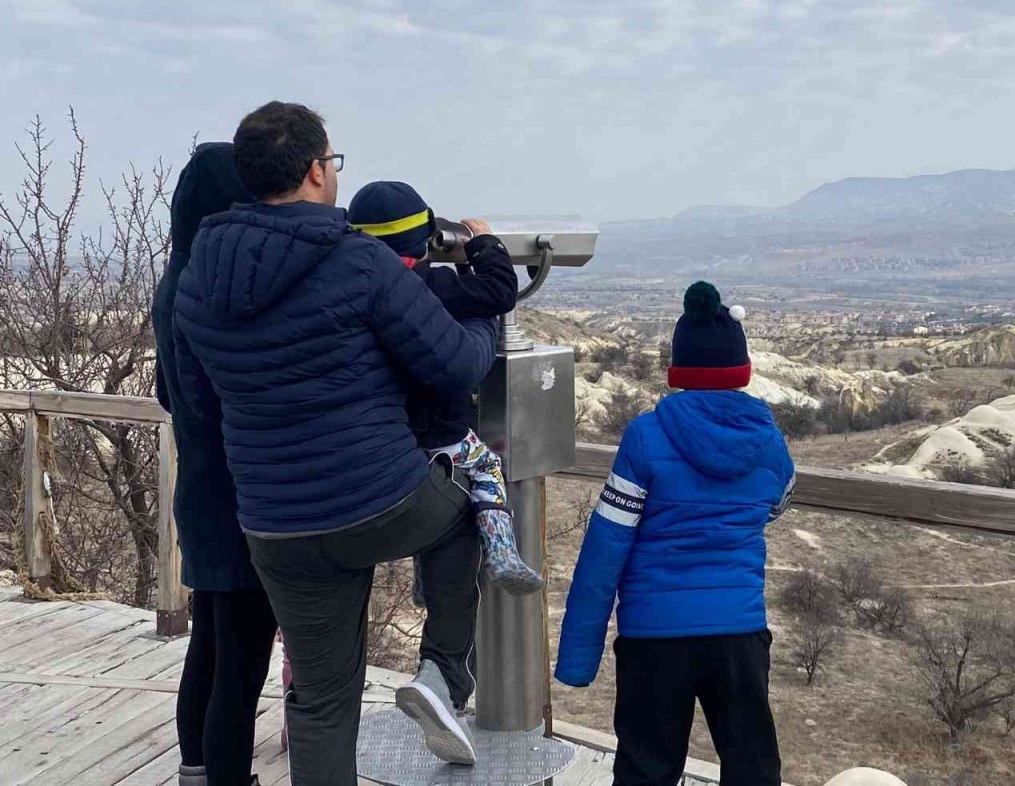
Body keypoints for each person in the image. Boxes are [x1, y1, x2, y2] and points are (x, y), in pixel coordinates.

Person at [172, 102, 497, 783]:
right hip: (378, 498)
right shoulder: (357, 262)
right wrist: (488, 318)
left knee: (320, 703)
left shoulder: (198, 279)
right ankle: (443, 674)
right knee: (472, 510)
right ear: (318, 171)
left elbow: (201, 399)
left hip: (274, 526)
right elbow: (458, 365)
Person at [555, 281, 796, 786]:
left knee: (646, 769)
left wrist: (578, 658)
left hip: (653, 637)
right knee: (753, 767)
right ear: (741, 368)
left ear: (679, 369)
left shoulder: (645, 436)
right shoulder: (769, 442)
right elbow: (774, 505)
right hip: (738, 633)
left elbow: (606, 547)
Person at [348, 180, 543, 596]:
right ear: (424, 239)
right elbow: (498, 292)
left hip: (395, 440)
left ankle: (424, 581)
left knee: (430, 502)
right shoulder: (435, 287)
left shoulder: (356, 291)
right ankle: (503, 551)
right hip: (448, 433)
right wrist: (483, 244)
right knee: (487, 469)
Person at [153, 144, 277, 786]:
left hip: (202, 493)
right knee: (242, 660)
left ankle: (196, 769)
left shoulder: (175, 281)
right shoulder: (217, 290)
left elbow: (166, 393)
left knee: (210, 641)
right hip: (241, 496)